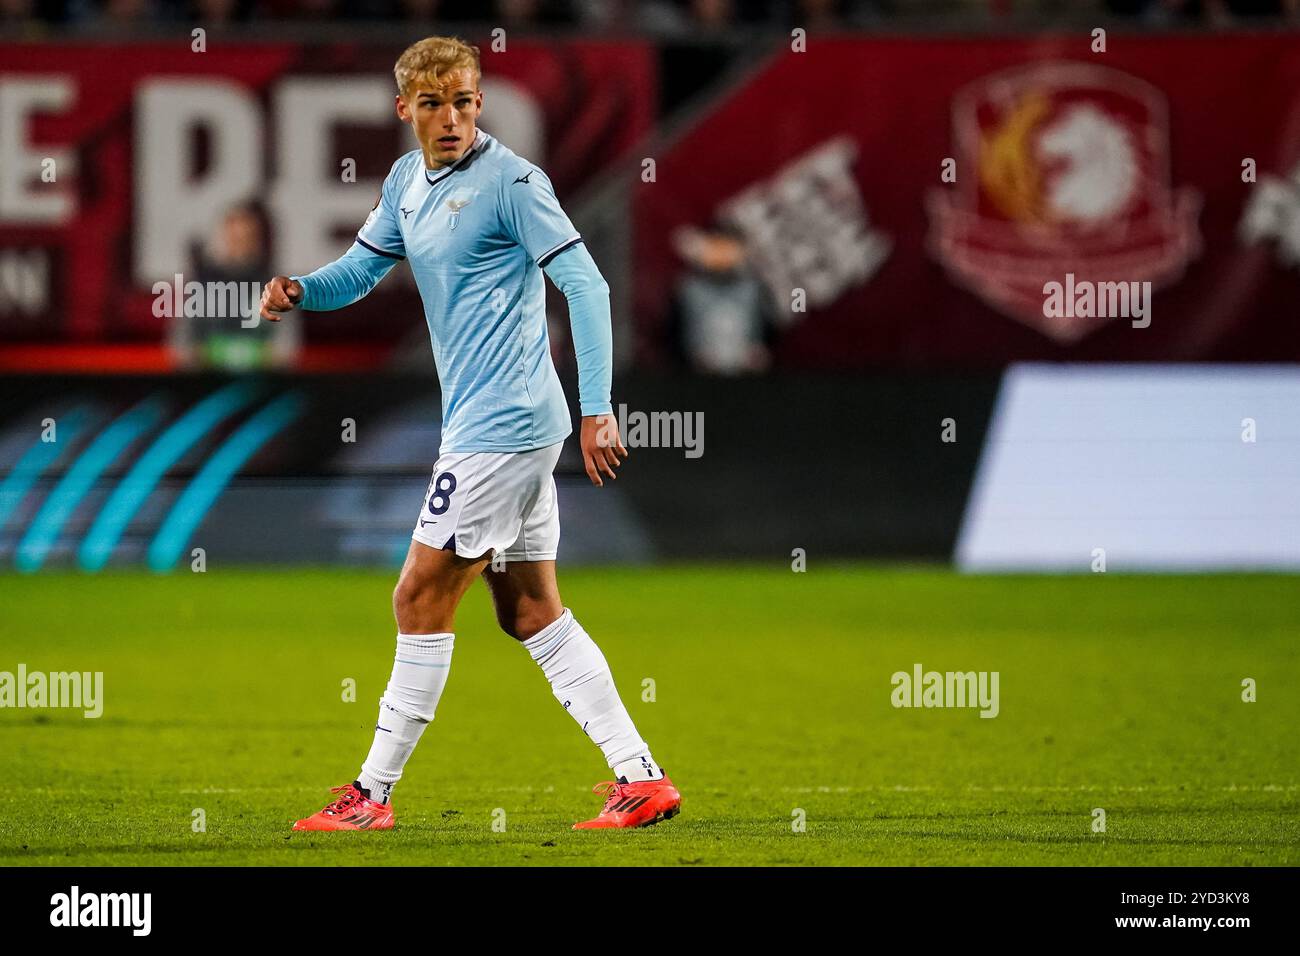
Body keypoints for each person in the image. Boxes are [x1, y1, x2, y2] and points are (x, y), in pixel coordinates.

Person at [259, 35, 680, 832]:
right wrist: (299, 290)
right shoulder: (405, 182)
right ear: (404, 110)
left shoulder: (514, 183)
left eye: (462, 101)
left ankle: (370, 797)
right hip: (496, 425)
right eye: (432, 104)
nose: (450, 118)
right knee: (529, 610)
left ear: (479, 101)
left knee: (417, 596)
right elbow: (360, 271)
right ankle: (640, 776)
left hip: (505, 426)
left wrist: (599, 407)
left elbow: (585, 284)